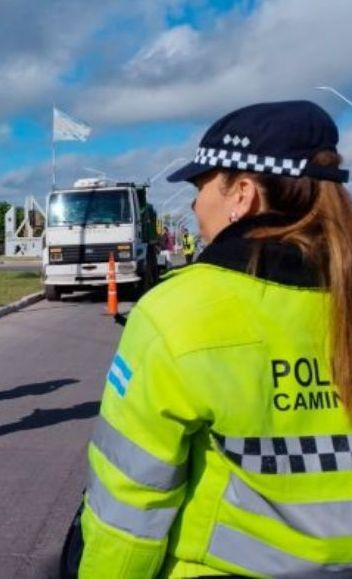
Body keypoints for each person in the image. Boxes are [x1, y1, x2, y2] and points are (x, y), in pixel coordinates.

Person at [79, 100, 352, 577]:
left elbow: (128, 504)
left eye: (201, 184)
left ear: (242, 194)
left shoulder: (178, 312)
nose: (193, 203)